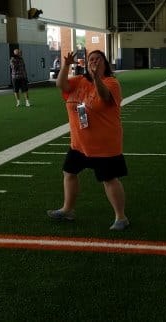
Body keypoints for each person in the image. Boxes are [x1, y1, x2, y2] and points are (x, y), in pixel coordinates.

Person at [48, 50, 129, 231]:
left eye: (98, 59)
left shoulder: (112, 83)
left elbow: (105, 97)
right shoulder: (79, 81)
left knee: (109, 180)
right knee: (69, 173)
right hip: (79, 144)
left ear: (105, 64)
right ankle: (67, 209)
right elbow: (61, 85)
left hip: (104, 145)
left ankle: (121, 217)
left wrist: (96, 78)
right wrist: (66, 65)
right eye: (91, 59)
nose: (94, 62)